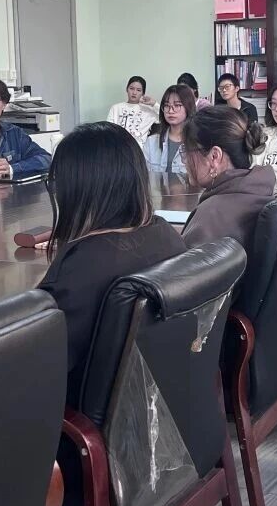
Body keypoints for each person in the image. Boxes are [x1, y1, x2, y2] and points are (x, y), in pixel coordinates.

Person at [37, 123, 186, 406]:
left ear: (76, 190)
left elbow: (41, 364)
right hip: (163, 396)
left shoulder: (81, 267)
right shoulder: (165, 234)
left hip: (89, 419)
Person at [181, 106, 275, 250]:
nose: (184, 160)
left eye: (186, 150)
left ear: (214, 156)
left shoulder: (211, 216)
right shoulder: (261, 192)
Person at [144, 83, 195, 176]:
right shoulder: (151, 142)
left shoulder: (198, 143)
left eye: (177, 105)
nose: (171, 111)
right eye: (167, 106)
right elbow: (144, 175)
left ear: (188, 107)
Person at [106, 75, 157, 141]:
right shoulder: (116, 108)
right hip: (118, 144)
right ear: (127, 89)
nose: (134, 93)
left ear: (143, 93)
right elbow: (108, 129)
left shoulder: (148, 111)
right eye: (131, 88)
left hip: (137, 146)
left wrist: (154, 103)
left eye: (138, 90)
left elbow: (164, 116)